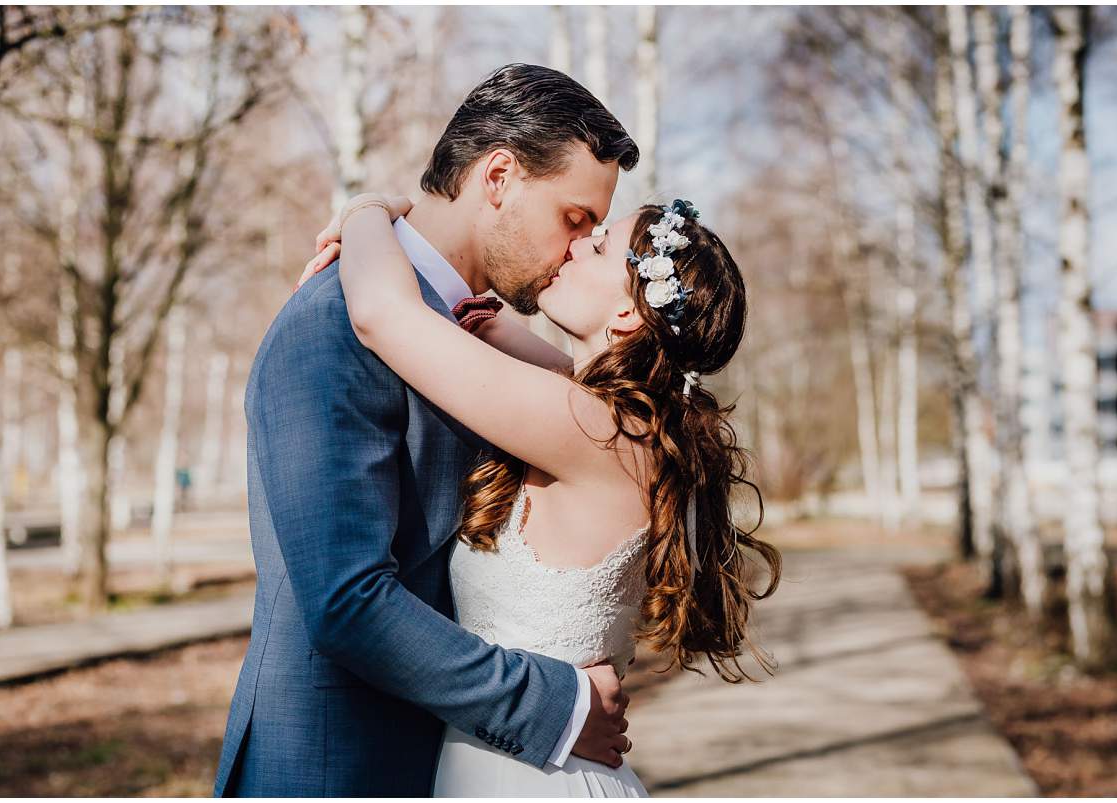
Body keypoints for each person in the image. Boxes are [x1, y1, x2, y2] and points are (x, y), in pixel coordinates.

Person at [213, 64, 642, 797]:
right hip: (337, 770)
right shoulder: (330, 327)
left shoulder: (474, 341)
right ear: (499, 176)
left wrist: (366, 211)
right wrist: (556, 705)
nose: (578, 248)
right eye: (574, 219)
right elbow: (348, 603)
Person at [296, 189, 783, 796]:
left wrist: (367, 210)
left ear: (629, 314)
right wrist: (501, 332)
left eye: (600, 246)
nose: (579, 243)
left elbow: (382, 313)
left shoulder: (599, 432)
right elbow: (567, 378)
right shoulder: (636, 429)